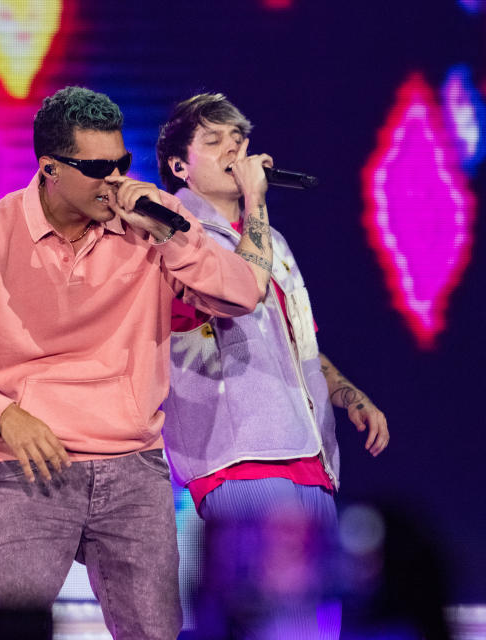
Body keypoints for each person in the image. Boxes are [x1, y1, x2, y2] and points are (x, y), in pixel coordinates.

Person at [0, 86, 272, 639]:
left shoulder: (153, 222)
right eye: (97, 168)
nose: (115, 180)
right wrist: (2, 416)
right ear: (49, 168)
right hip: (26, 466)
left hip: (132, 466)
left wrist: (169, 234)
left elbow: (241, 294)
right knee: (15, 632)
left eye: (121, 163)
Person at [156, 93, 390, 638]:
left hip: (309, 452)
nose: (234, 152)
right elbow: (237, 292)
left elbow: (296, 340)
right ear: (178, 165)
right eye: (214, 142)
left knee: (316, 624)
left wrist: (350, 395)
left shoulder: (273, 241)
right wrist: (256, 207)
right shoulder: (175, 230)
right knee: (274, 624)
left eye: (239, 141)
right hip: (241, 454)